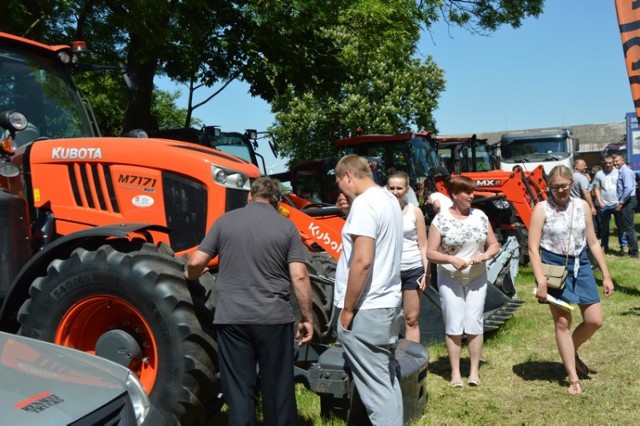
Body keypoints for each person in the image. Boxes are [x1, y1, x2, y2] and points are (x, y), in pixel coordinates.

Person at [185, 177, 314, 425]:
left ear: (249, 197)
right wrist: (307, 318)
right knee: (277, 391)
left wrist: (189, 275)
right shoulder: (286, 227)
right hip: (274, 320)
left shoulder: (225, 222)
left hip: (232, 319)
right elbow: (299, 275)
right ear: (276, 202)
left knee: (239, 391)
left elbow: (195, 263)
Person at [528, 165, 614, 396]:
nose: (560, 191)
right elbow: (533, 248)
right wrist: (541, 281)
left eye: (564, 186)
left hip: (581, 264)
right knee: (563, 323)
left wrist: (605, 275)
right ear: (549, 187)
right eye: (555, 187)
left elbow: (593, 242)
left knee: (594, 320)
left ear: (572, 184)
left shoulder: (582, 205)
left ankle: (570, 351)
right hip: (553, 266)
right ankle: (573, 378)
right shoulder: (541, 208)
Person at [334, 154, 404, 425]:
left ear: (348, 176)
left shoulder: (364, 203)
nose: (342, 191)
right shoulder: (389, 200)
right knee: (385, 380)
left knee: (377, 393)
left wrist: (348, 310)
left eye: (340, 184)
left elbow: (362, 261)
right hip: (386, 304)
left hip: (366, 308)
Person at [426, 176, 500, 388]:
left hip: (477, 276)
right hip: (449, 277)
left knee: (475, 322)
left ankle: (474, 372)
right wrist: (450, 259)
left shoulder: (480, 216)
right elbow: (430, 252)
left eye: (472, 191)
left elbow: (494, 244)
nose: (472, 196)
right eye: (467, 192)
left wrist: (484, 256)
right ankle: (456, 373)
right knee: (454, 323)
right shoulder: (441, 220)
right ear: (454, 195)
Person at [387, 170, 429, 343]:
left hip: (413, 268)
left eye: (399, 188)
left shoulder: (415, 212)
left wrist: (427, 272)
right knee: (388, 320)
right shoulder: (381, 211)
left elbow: (424, 244)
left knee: (411, 319)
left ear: (406, 189)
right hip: (388, 271)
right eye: (391, 188)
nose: (395, 192)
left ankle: (414, 361)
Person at [592, 155, 625, 253]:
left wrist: (621, 201)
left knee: (620, 226)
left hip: (617, 203)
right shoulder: (599, 174)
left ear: (613, 163)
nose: (608, 165)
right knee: (604, 228)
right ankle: (604, 245)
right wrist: (600, 202)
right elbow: (596, 189)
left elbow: (623, 187)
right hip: (605, 205)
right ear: (603, 163)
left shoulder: (619, 172)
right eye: (606, 163)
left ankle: (623, 246)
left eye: (610, 163)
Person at [613, 153, 639, 258]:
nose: (615, 163)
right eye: (614, 161)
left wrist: (621, 202)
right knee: (627, 226)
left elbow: (628, 189)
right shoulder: (622, 171)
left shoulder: (626, 172)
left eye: (617, 161)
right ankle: (631, 249)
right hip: (626, 200)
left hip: (628, 201)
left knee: (629, 227)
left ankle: (634, 252)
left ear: (623, 161)